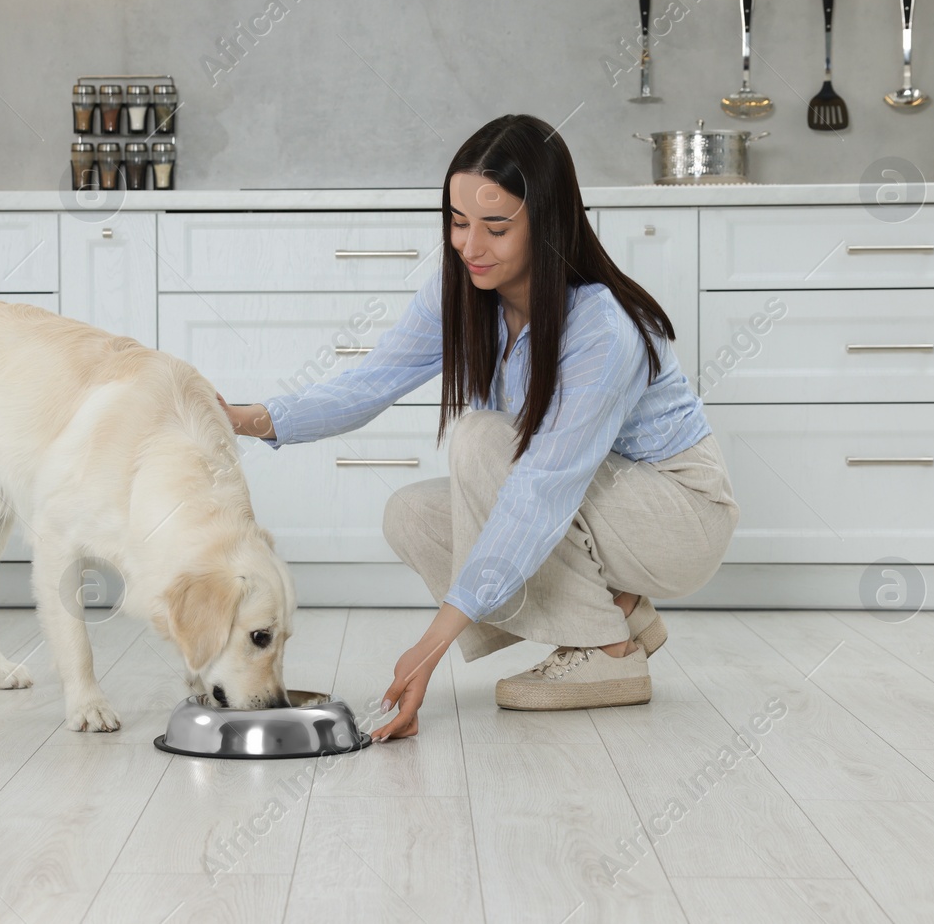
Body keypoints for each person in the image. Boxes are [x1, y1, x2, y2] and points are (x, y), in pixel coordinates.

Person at [216, 114, 738, 740]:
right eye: (458, 223)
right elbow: (370, 381)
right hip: (598, 506)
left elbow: (540, 488)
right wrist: (240, 420)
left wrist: (430, 645)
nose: (470, 246)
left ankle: (609, 654)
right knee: (410, 515)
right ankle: (614, 613)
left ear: (547, 225)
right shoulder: (465, 288)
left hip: (678, 516)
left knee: (483, 440)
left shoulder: (602, 328)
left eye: (496, 227)